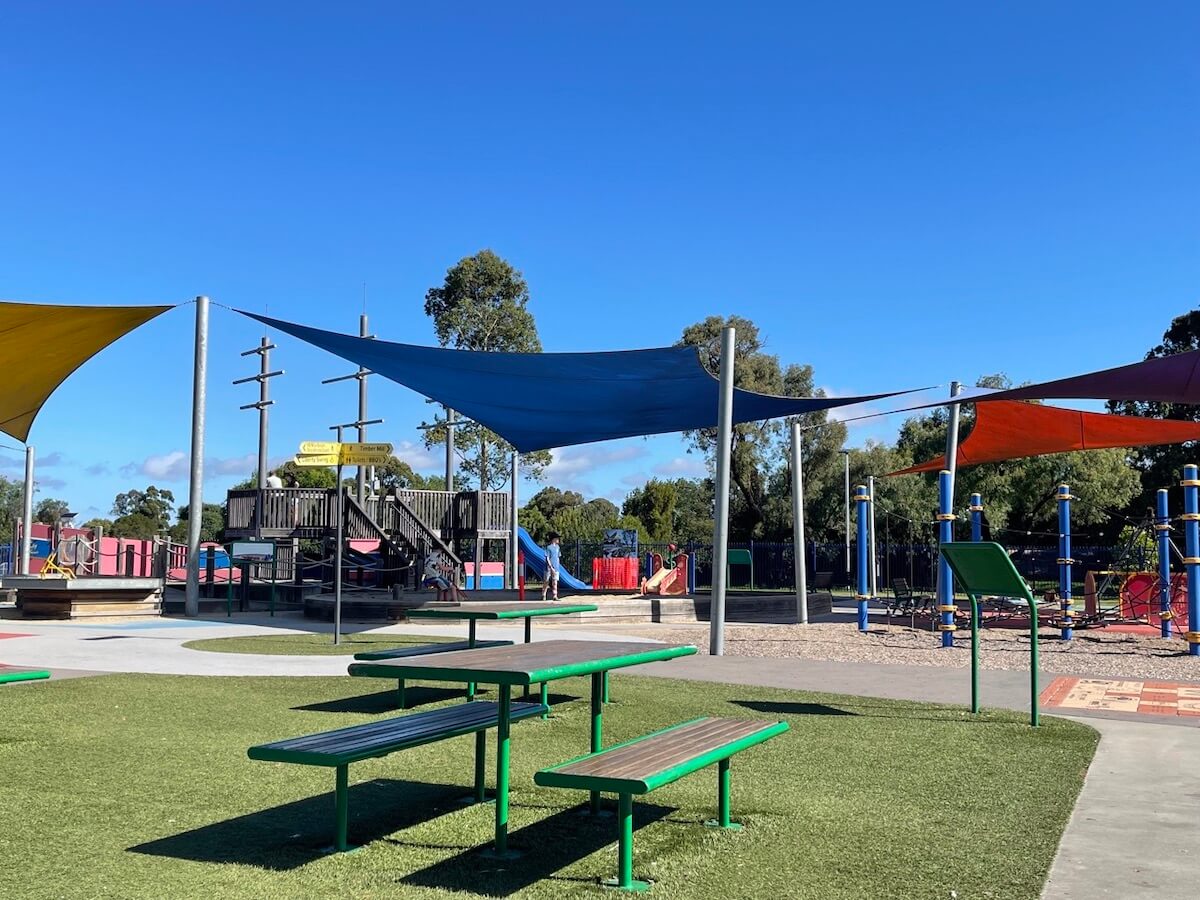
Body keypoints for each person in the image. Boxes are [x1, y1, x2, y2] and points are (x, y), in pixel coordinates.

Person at [542, 532, 562, 602]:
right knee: (546, 581)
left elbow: (558, 557)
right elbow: (547, 557)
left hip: (556, 567)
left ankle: (555, 595)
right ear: (553, 539)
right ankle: (544, 594)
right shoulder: (548, 547)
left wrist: (557, 566)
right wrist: (550, 566)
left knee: (555, 582)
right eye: (557, 538)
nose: (558, 540)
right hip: (548, 568)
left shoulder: (557, 547)